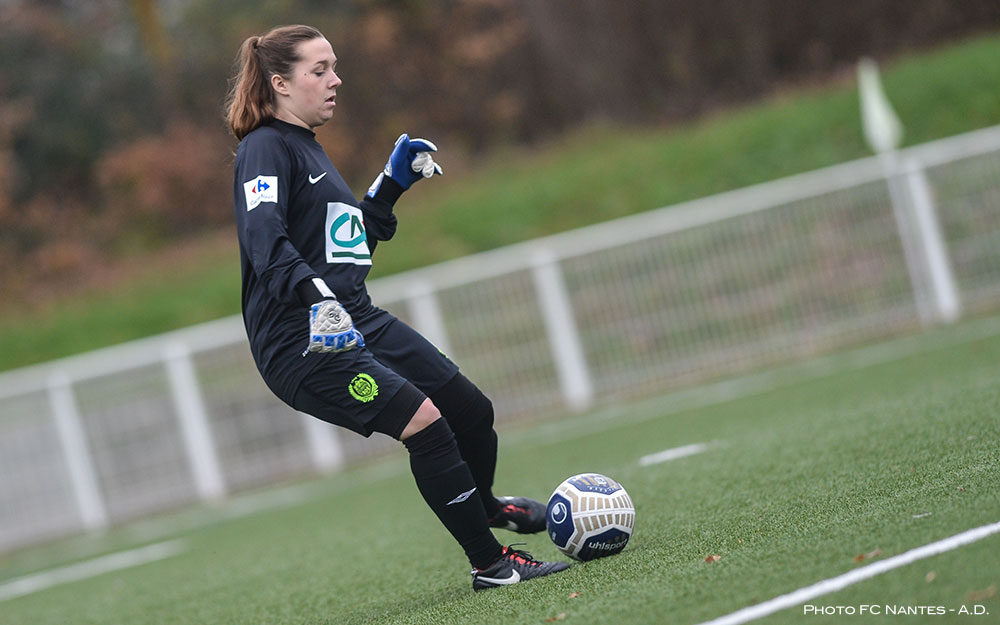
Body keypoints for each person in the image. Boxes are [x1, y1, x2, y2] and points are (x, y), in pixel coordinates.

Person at [223, 24, 570, 591]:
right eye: (320, 70)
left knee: (470, 409)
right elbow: (266, 244)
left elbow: (344, 250)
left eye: (334, 66)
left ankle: (483, 507)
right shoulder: (264, 147)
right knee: (426, 423)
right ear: (280, 83)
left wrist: (390, 186)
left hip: (355, 316)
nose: (336, 79)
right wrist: (319, 302)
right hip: (304, 341)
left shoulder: (307, 145)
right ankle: (492, 565)